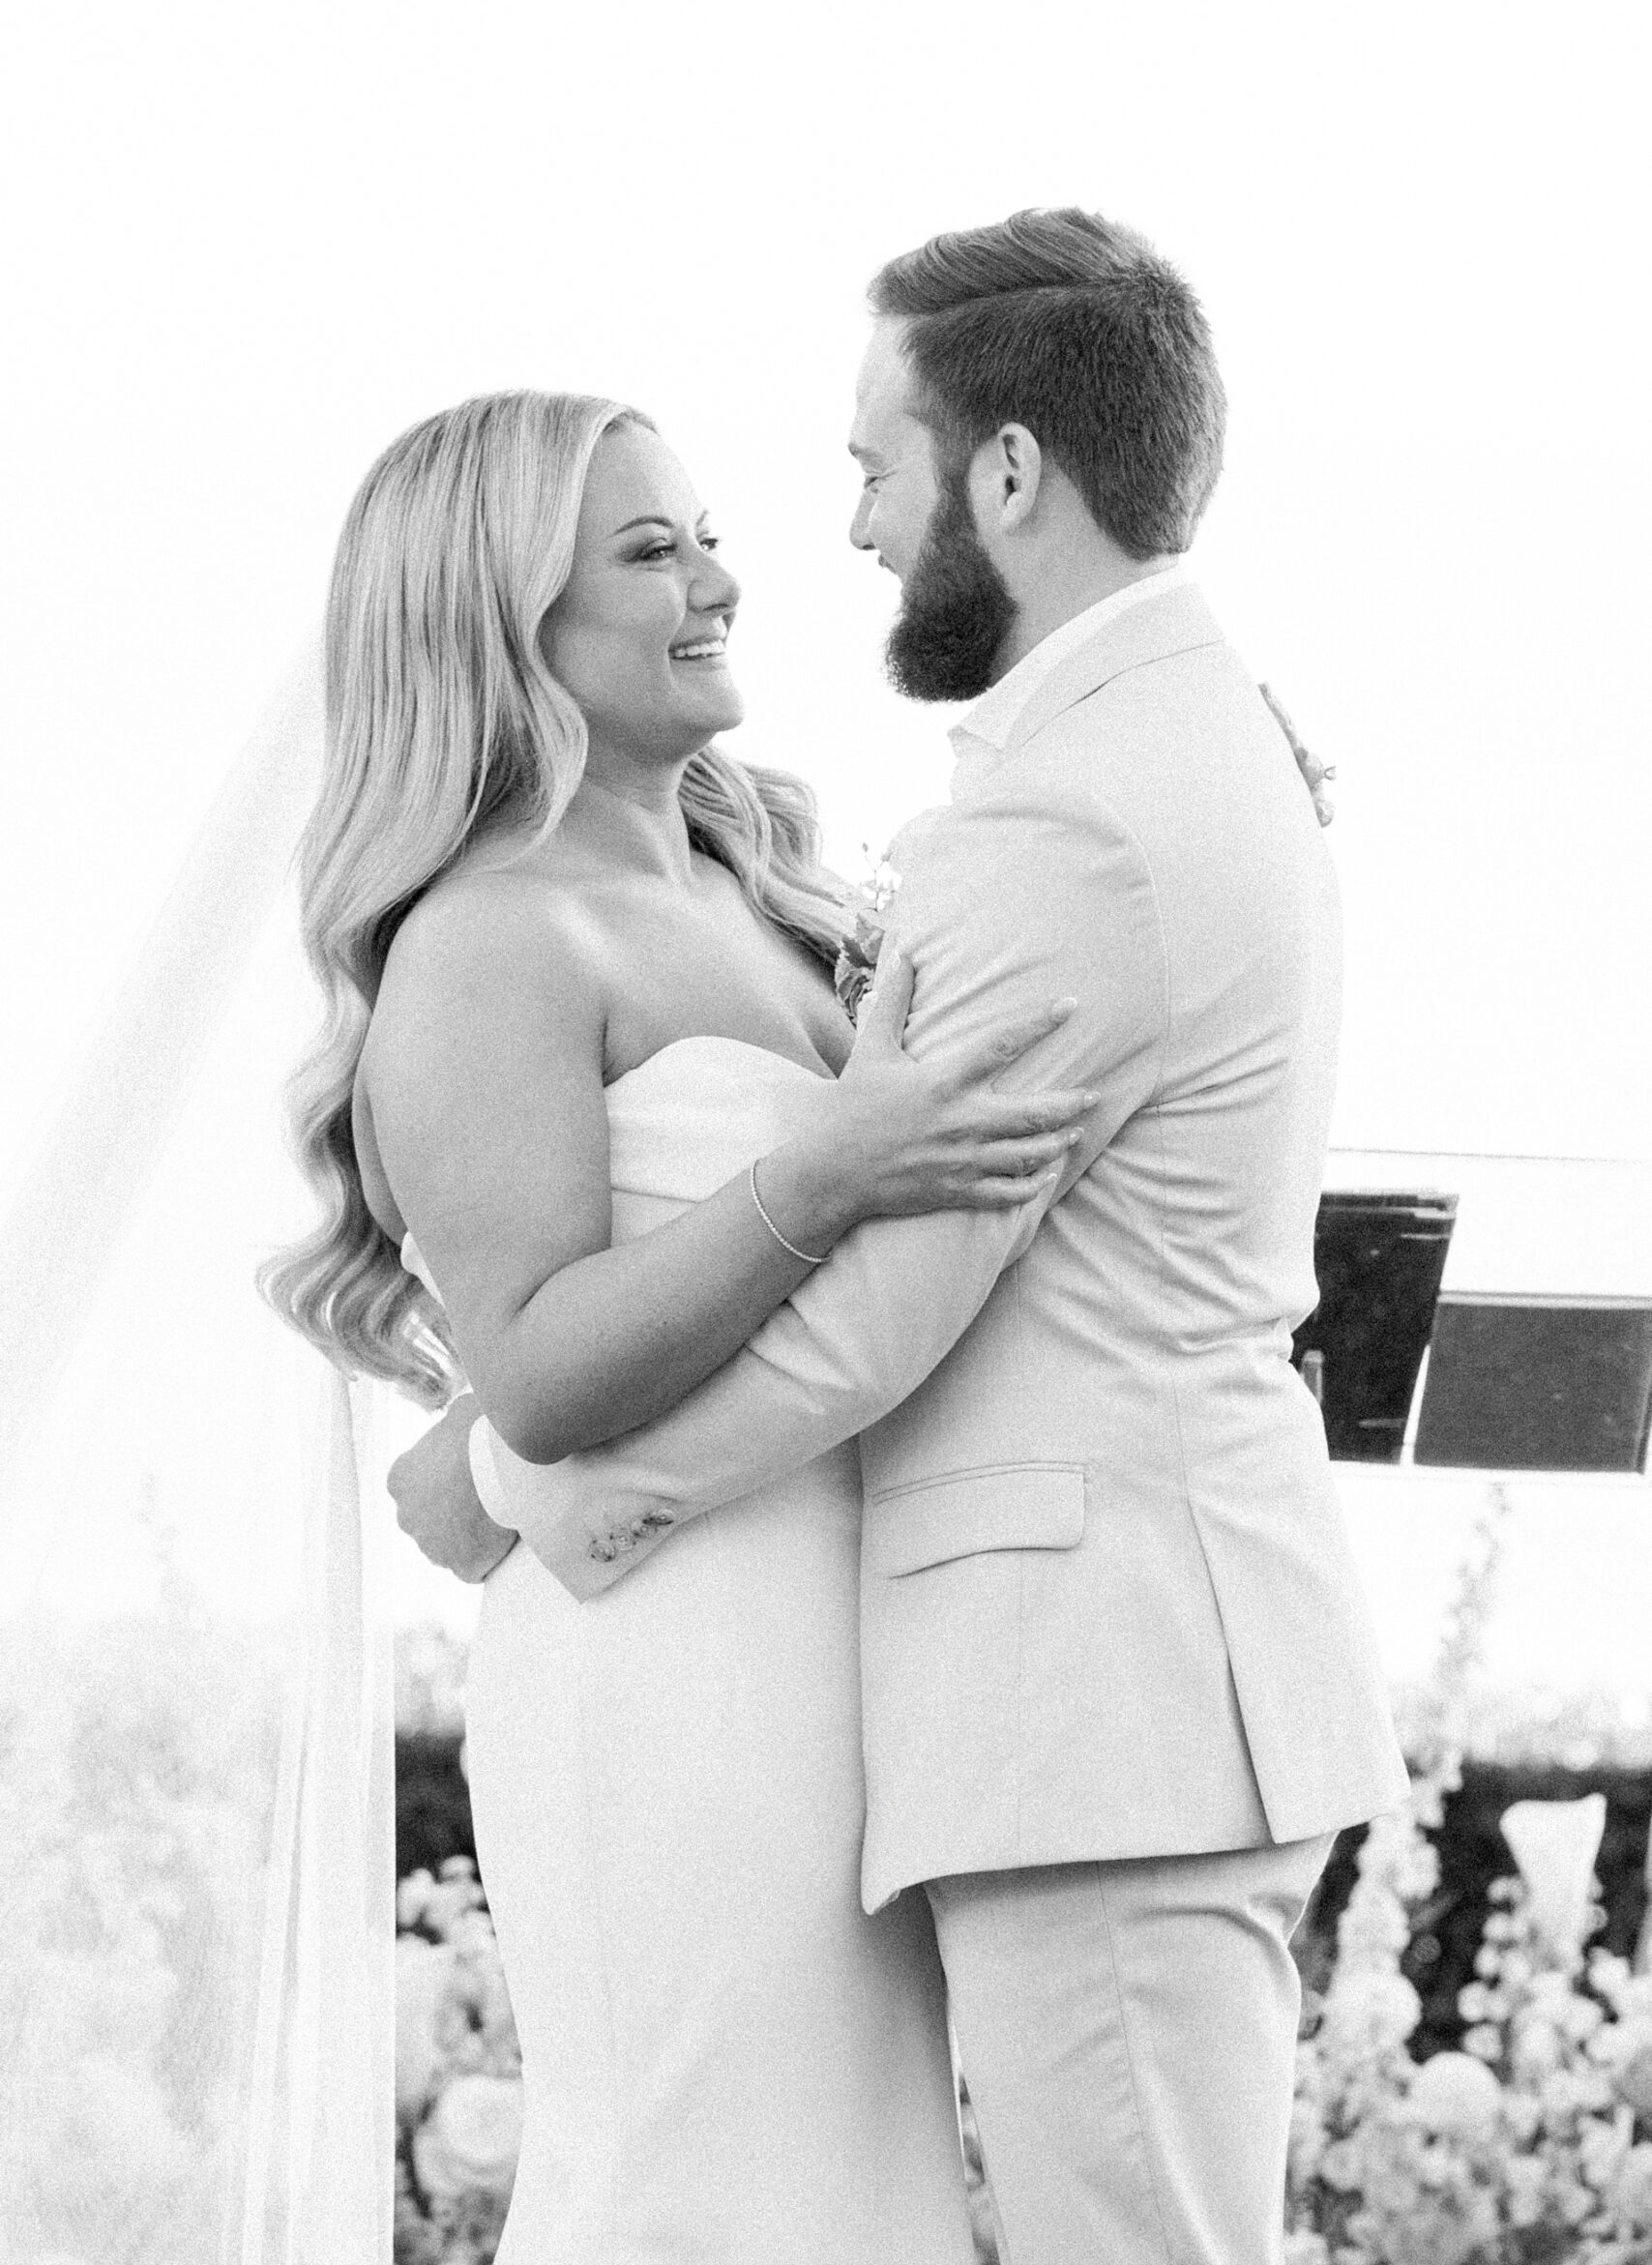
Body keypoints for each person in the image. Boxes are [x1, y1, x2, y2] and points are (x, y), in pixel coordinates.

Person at [394, 208, 1410, 2264]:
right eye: (651, 546)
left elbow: (879, 1323)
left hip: (1075, 1691)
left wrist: (523, 1478)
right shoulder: (1152, 750)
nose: (817, 533)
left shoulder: (1058, 813)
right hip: (838, 1684)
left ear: (1007, 472)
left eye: (870, 464)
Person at [262, 386, 1106, 2261]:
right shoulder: (491, 938)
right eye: (647, 550)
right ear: (496, 622)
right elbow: (544, 1373)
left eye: (705, 530)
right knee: (708, 2179)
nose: (718, 576)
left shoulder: (751, 886)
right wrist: (826, 1172)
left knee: (851, 2189)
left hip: (843, 1656)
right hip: (668, 1679)